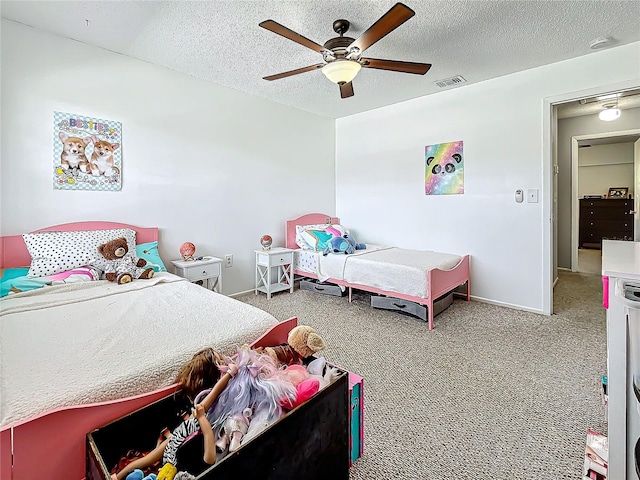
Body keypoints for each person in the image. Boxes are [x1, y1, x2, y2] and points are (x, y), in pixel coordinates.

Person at [114, 354, 237, 480]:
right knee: (150, 459)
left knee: (151, 458)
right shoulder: (201, 410)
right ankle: (119, 476)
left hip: (187, 437)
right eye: (219, 360)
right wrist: (229, 373)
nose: (223, 361)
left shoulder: (197, 416)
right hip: (190, 434)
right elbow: (212, 395)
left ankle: (119, 476)